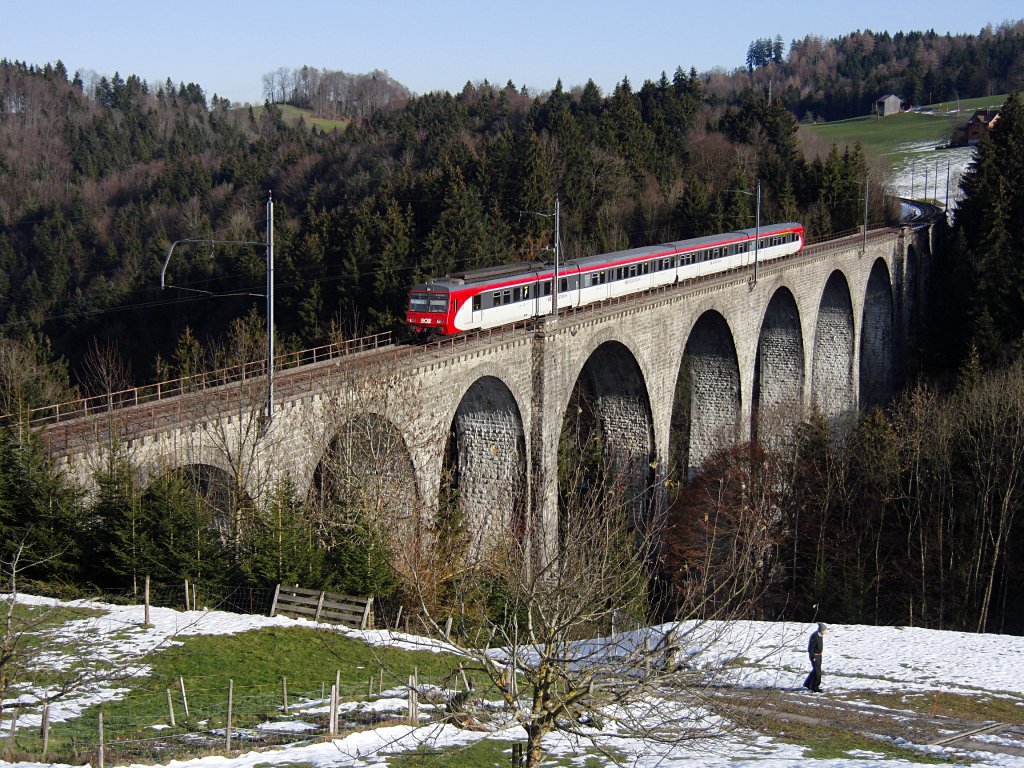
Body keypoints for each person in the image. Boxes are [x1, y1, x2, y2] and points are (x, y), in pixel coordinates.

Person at [803, 623, 827, 692]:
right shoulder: (814, 636)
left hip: (819, 656)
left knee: (815, 670)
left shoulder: (820, 635)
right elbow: (810, 648)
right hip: (815, 656)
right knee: (817, 672)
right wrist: (813, 656)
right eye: (825, 630)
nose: (826, 632)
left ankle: (807, 683)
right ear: (822, 630)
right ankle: (815, 686)